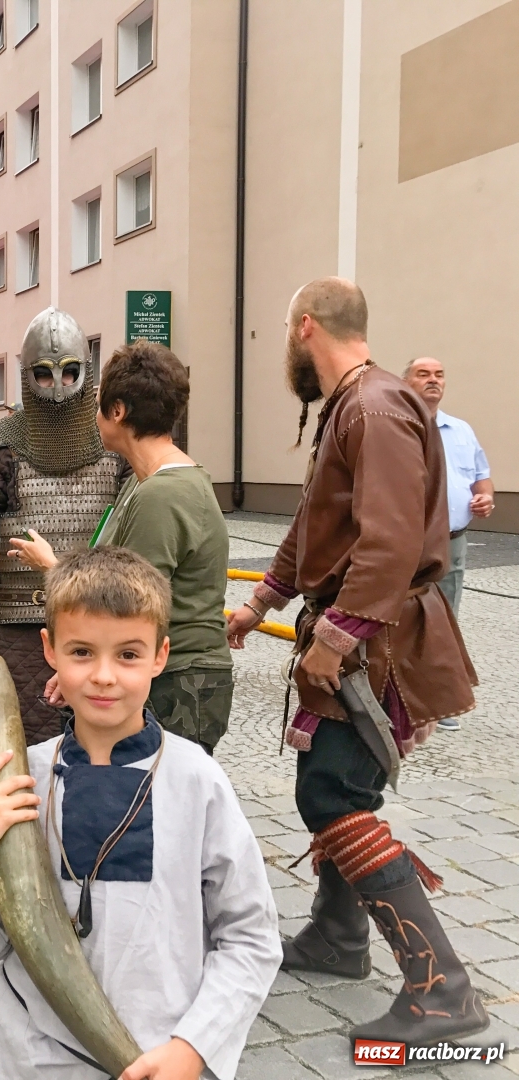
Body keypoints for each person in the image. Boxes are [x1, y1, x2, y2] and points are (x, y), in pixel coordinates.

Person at [228, 278, 485, 1045]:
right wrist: (260, 604)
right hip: (360, 632)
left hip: (374, 642)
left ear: (305, 327)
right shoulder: (353, 404)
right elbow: (316, 524)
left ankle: (445, 993)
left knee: (335, 796)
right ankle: (337, 939)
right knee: (340, 788)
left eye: (284, 331)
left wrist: (335, 638)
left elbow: (392, 540)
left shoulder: (372, 407)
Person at [0, 546, 279, 1080]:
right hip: (25, 1055)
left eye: (128, 654)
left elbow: (250, 936)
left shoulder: (196, 780)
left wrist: (193, 1047)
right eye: (82, 652)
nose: (104, 676)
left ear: (159, 655)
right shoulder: (20, 779)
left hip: (154, 1053)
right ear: (50, 649)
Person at [11, 341, 233, 753]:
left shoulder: (162, 494)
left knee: (157, 813)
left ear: (118, 411)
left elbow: (126, 606)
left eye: (99, 406)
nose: (95, 418)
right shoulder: (144, 483)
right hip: (161, 675)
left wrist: (52, 567)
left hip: (178, 684)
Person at [0, 307, 123, 745]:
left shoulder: (116, 443)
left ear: (87, 370)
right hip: (21, 623)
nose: (58, 387)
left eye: (69, 373)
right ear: (26, 374)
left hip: (102, 617)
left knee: (103, 745)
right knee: (26, 749)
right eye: (44, 374)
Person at [404, 357, 493, 616]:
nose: (433, 380)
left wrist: (485, 497)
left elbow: (481, 477)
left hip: (452, 541)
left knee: (446, 614)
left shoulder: (461, 430)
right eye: (423, 374)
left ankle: (442, 658)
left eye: (439, 375)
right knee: (403, 612)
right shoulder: (396, 428)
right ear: (405, 383)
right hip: (408, 541)